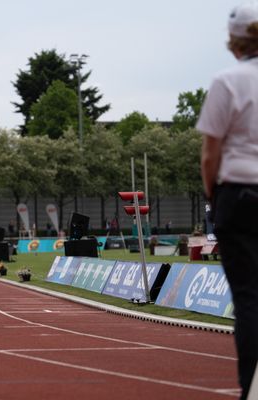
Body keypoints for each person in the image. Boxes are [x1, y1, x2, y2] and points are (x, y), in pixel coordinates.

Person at [197, 4, 258, 398]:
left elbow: (209, 152)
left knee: (250, 297)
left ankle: (251, 386)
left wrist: (212, 193)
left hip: (240, 193)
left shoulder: (229, 80)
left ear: (233, 41)